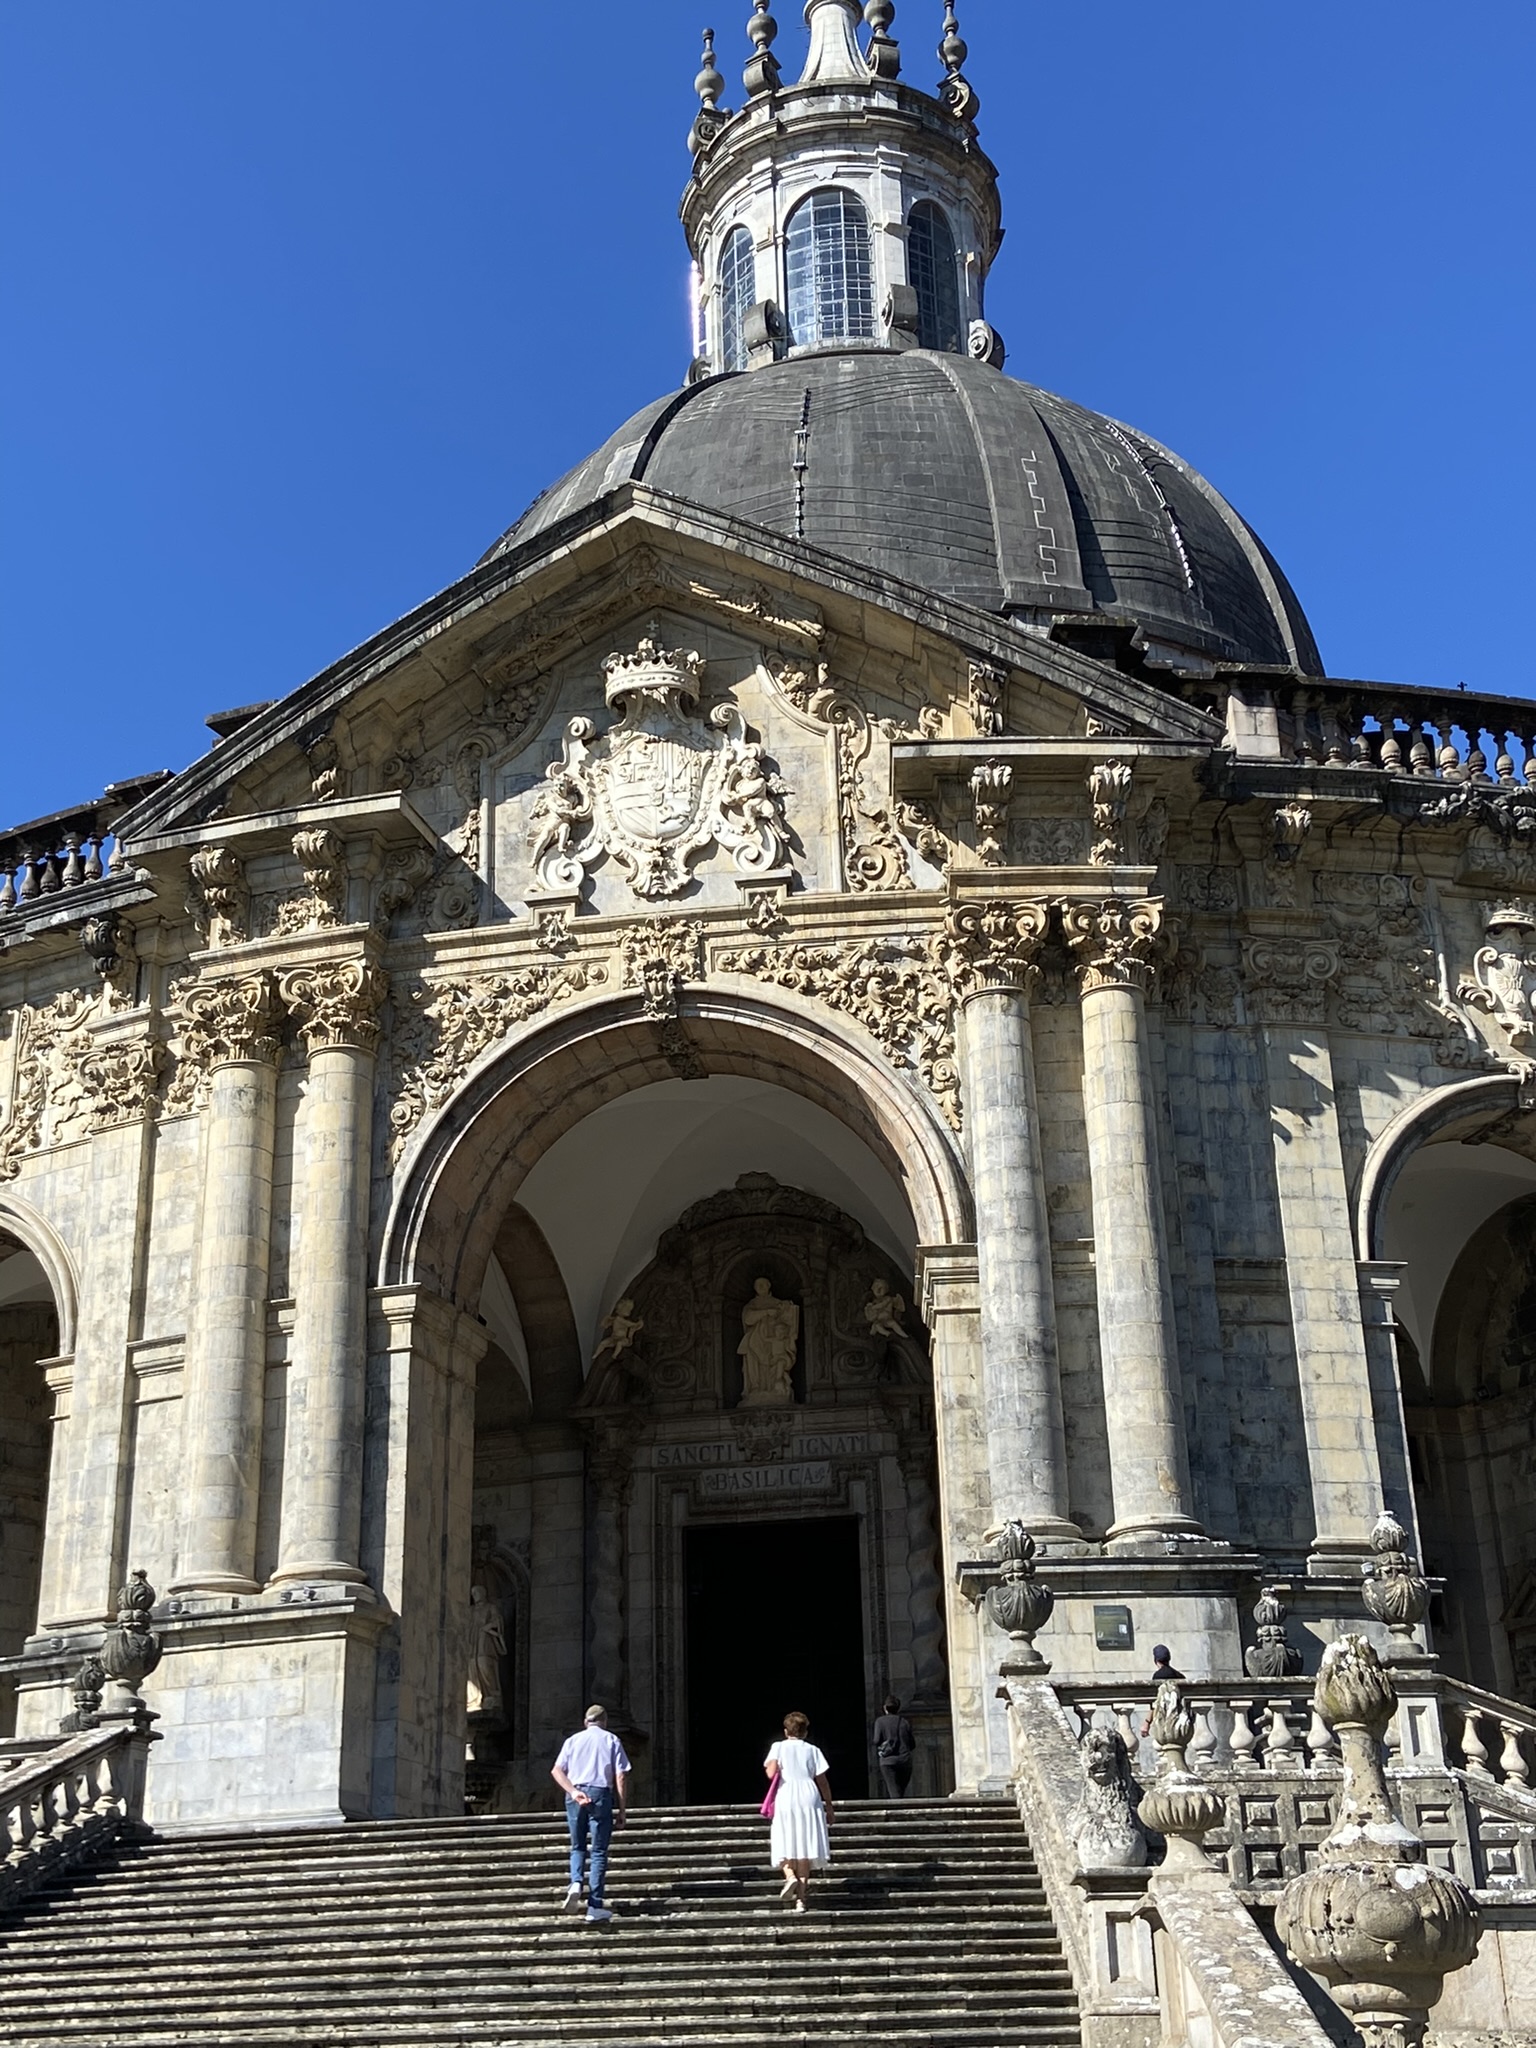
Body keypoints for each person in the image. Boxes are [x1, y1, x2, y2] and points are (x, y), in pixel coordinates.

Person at [551, 1704, 630, 1924]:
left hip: (575, 1794)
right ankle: (594, 1906)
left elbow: (556, 1770)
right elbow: (621, 1775)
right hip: (600, 1794)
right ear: (605, 1722)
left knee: (577, 1846)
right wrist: (622, 1809)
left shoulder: (572, 1740)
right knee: (598, 1851)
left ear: (586, 1722)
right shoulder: (611, 1739)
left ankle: (576, 1882)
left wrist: (573, 1791)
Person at [763, 1709, 832, 1911]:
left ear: (786, 1731)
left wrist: (773, 1763)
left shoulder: (778, 1747)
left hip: (787, 1794)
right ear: (805, 1732)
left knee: (784, 1838)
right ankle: (801, 1900)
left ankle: (790, 1875)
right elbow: (822, 1780)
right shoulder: (813, 1750)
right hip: (809, 1795)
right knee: (805, 1846)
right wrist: (829, 1805)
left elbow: (771, 1774)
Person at [872, 1694, 915, 1798]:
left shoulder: (880, 1721)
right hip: (905, 1761)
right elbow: (912, 1744)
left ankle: (898, 1808)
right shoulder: (904, 1722)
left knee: (894, 1792)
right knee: (900, 1792)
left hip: (888, 1761)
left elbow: (876, 1740)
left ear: (885, 1708)